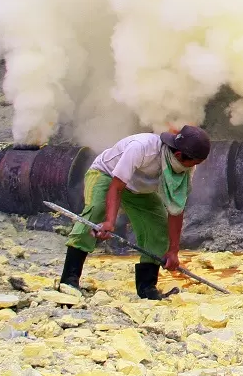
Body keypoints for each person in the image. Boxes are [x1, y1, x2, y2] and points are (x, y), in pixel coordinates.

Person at [58, 125, 211, 300]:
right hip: (107, 176)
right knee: (95, 213)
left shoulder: (187, 166)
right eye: (196, 163)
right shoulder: (142, 148)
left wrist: (173, 250)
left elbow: (176, 208)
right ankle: (69, 281)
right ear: (178, 155)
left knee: (157, 227)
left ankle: (147, 288)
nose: (196, 167)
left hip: (138, 190)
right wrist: (109, 222)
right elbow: (116, 187)